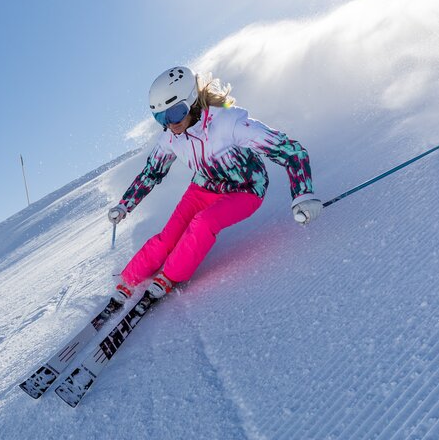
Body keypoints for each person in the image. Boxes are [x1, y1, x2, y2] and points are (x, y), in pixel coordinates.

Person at [107, 66, 322, 303]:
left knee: (203, 222)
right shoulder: (170, 138)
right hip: (203, 186)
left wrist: (303, 194)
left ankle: (170, 276)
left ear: (191, 101)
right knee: (168, 237)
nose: (171, 124)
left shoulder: (230, 123)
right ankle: (129, 279)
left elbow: (290, 151)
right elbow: (151, 172)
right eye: (161, 118)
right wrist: (124, 205)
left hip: (247, 188)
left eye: (176, 113)